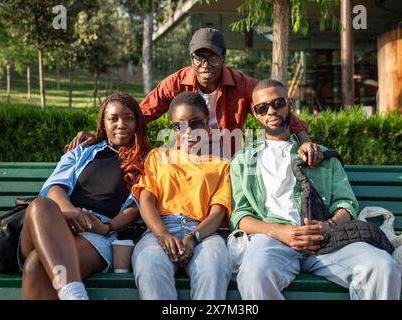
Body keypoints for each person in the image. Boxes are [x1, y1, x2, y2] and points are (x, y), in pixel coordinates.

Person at [229, 79, 402, 300]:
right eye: (262, 108)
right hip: (272, 240)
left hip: (327, 240)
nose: (271, 111)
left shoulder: (320, 155)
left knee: (383, 267)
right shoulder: (243, 162)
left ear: (290, 104)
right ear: (255, 114)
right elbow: (240, 215)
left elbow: (346, 203)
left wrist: (328, 226)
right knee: (254, 275)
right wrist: (279, 231)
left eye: (278, 103)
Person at [66, 28, 322, 166]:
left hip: (226, 160)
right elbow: (142, 114)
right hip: (186, 158)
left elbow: (277, 112)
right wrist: (99, 135)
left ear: (222, 58)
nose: (205, 63)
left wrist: (304, 141)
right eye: (199, 56)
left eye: (212, 56)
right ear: (192, 59)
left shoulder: (243, 85)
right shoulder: (176, 82)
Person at [19, 92, 150, 300]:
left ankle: (73, 294)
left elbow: (135, 207)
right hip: (54, 224)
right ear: (103, 123)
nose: (121, 124)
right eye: (113, 118)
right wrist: (70, 211)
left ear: (138, 123)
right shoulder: (83, 152)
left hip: (96, 234)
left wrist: (107, 227)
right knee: (40, 205)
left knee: (36, 266)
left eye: (129, 118)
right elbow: (55, 187)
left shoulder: (147, 162)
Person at [131, 91, 231, 300]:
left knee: (213, 266)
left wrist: (194, 238)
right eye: (180, 126)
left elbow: (218, 213)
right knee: (149, 264)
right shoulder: (158, 157)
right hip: (160, 229)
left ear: (207, 126)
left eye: (195, 123)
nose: (188, 131)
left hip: (202, 232)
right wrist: (162, 235)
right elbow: (146, 201)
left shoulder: (221, 165)